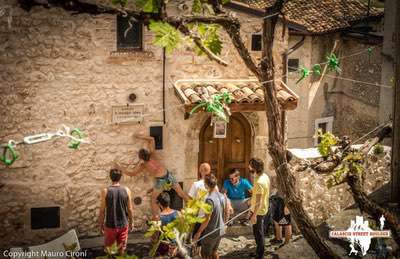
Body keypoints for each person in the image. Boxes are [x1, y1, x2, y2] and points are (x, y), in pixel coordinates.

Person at [115, 134, 190, 220]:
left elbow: (131, 173)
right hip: (168, 175)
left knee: (153, 199)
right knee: (181, 193)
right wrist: (140, 136)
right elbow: (152, 138)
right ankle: (193, 209)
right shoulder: (153, 154)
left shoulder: (143, 165)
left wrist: (120, 167)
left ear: (141, 158)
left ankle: (156, 219)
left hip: (160, 181)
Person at [98, 169, 134, 255]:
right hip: (123, 224)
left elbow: (102, 211)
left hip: (110, 225)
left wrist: (100, 225)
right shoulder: (127, 190)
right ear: (120, 178)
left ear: (110, 177)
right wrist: (131, 222)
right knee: (121, 249)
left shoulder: (105, 191)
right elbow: (130, 209)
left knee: (109, 250)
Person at [193, 174, 228, 259]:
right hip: (220, 229)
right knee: (214, 252)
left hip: (211, 232)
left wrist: (199, 232)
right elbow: (226, 212)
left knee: (205, 254)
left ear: (206, 185)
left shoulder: (209, 200)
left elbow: (207, 218)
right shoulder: (222, 196)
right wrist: (225, 223)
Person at [248, 158, 270, 259]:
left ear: (254, 167)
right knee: (259, 232)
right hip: (263, 208)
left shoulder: (259, 182)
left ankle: (259, 255)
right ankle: (258, 251)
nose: (249, 167)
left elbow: (258, 202)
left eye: (250, 165)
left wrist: (254, 216)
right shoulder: (264, 176)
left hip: (259, 211)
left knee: (258, 234)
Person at [155, 192, 179, 257]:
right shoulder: (178, 213)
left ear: (159, 204)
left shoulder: (158, 217)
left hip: (164, 245)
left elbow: (157, 234)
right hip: (176, 244)